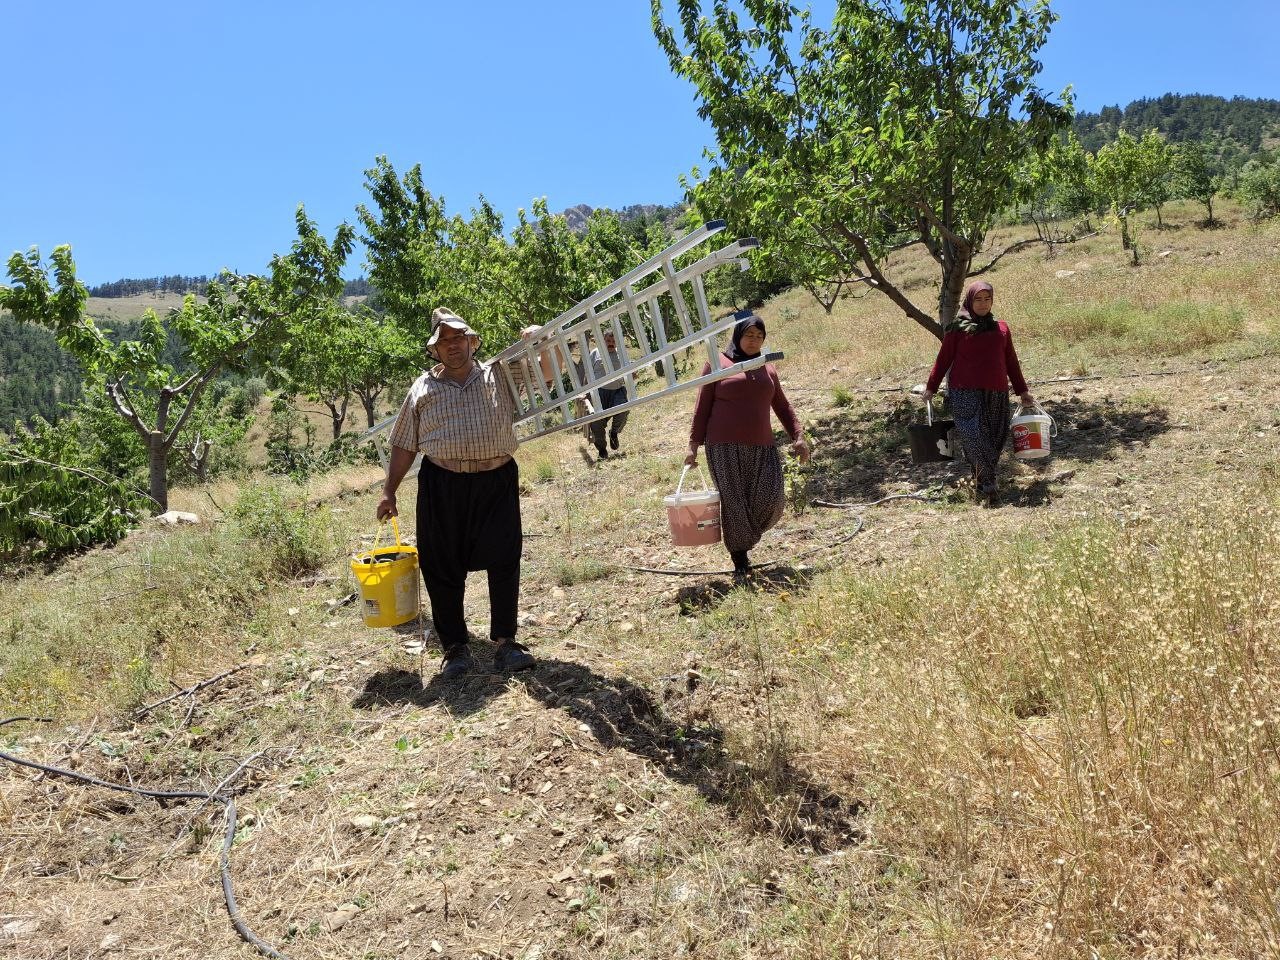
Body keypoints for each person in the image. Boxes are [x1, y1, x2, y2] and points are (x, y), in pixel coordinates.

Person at [377, 308, 535, 680]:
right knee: (440, 562)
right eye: (443, 341)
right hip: (442, 483)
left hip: (496, 479)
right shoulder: (422, 389)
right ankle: (455, 648)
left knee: (504, 556)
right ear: (434, 350)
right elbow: (404, 444)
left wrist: (538, 340)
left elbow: (545, 371)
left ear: (472, 341)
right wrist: (389, 491)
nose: (452, 346)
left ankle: (506, 643)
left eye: (458, 338)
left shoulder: (500, 371)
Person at [684, 314, 810, 581]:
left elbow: (783, 406)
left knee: (772, 500)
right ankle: (740, 557)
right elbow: (701, 409)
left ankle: (744, 537)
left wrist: (798, 435)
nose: (754, 341)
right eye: (749, 335)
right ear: (737, 336)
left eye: (759, 336)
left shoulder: (767, 367)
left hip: (762, 445)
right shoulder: (717, 363)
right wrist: (693, 446)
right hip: (723, 447)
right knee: (734, 503)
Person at [922, 281, 1035, 507]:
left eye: (987, 299)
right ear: (969, 301)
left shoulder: (1001, 328)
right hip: (964, 392)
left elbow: (1011, 362)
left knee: (995, 438)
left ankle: (981, 476)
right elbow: (943, 359)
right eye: (978, 299)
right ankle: (988, 482)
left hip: (997, 392)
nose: (983, 304)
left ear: (992, 301)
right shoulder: (957, 328)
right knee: (973, 435)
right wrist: (931, 387)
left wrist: (1022, 390)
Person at [579, 328, 630, 459]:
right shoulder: (595, 353)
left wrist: (632, 375)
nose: (611, 343)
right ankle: (602, 449)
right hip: (598, 393)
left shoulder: (621, 354)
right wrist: (585, 391)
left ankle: (614, 433)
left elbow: (628, 370)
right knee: (596, 421)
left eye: (613, 341)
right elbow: (588, 373)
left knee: (623, 410)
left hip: (617, 391)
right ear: (602, 341)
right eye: (608, 340)